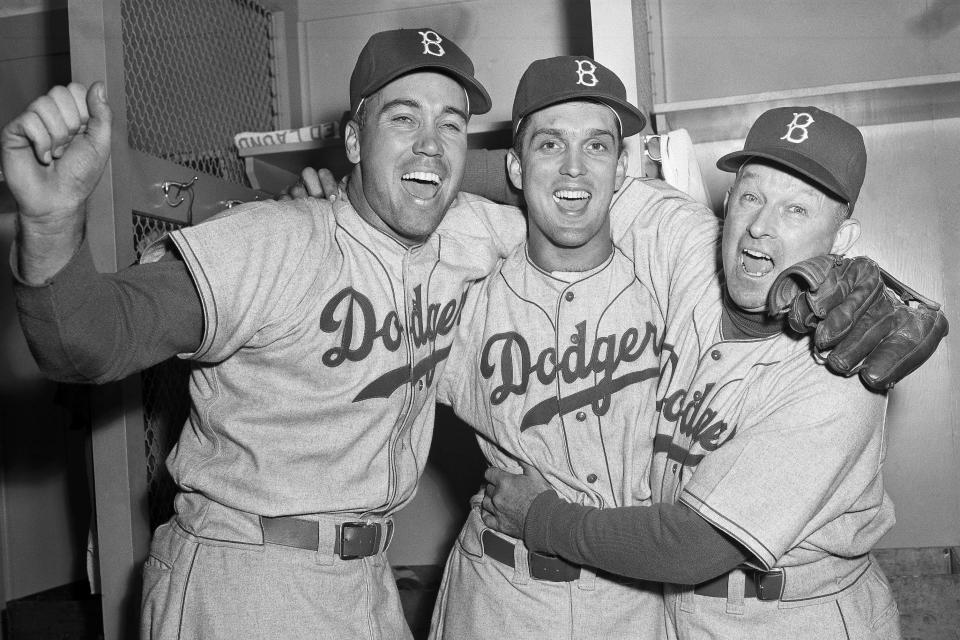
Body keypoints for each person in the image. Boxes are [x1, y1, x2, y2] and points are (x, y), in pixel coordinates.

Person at [1, 28, 527, 640]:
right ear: (354, 140)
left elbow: (554, 183)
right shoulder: (274, 240)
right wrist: (52, 224)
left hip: (366, 579)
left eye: (452, 125)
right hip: (247, 578)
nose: (432, 146)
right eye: (403, 118)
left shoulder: (464, 234)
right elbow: (89, 341)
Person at [480, 107, 918, 639]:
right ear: (728, 201)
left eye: (797, 209)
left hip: (796, 619)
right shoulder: (690, 246)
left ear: (843, 238)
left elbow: (691, 547)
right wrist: (401, 174)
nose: (761, 225)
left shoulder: (838, 373)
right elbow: (569, 183)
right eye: (753, 196)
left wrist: (542, 520)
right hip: (681, 616)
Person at [428, 55, 712, 639]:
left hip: (630, 600)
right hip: (497, 602)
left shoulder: (670, 285)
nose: (574, 170)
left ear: (622, 165)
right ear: (515, 164)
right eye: (551, 145)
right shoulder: (463, 294)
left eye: (598, 147)